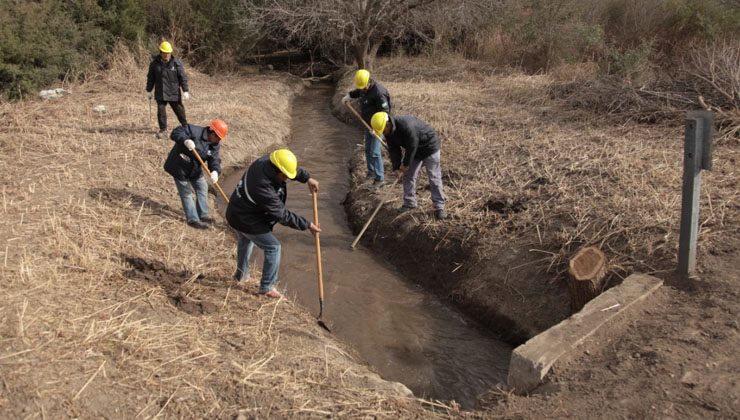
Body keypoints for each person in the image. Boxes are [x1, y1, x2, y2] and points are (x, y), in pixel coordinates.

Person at [226, 149, 321, 298]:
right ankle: (266, 288)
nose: (286, 179)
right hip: (244, 218)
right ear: (277, 171)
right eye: (284, 176)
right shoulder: (262, 186)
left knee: (245, 241)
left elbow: (290, 168)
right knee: (273, 247)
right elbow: (281, 214)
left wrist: (307, 178)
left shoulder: (268, 161)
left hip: (237, 210)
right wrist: (307, 225)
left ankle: (241, 276)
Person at [371, 111, 447, 220]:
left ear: (388, 124)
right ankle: (409, 203)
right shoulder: (389, 132)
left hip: (430, 147)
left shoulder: (406, 126)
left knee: (434, 177)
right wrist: (396, 167)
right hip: (415, 151)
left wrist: (405, 164)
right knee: (408, 176)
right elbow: (394, 149)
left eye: (383, 130)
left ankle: (440, 207)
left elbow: (412, 145)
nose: (383, 133)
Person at [164, 119, 228, 229]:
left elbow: (214, 159)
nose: (218, 140)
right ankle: (193, 219)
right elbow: (175, 133)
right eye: (217, 137)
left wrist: (215, 171)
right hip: (179, 166)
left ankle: (203, 215)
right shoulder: (193, 131)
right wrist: (185, 140)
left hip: (195, 169)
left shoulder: (214, 144)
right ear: (212, 132)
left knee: (202, 187)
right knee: (186, 192)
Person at [342, 69, 391, 188]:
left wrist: (377, 129)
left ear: (369, 81)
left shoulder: (379, 93)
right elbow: (359, 92)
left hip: (378, 126)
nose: (362, 89)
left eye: (363, 87)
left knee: (375, 152)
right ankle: (371, 172)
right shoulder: (364, 88)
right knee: (368, 150)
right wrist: (349, 96)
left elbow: (385, 113)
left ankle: (380, 179)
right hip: (367, 125)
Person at [146, 41, 190, 138]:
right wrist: (149, 90)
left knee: (179, 110)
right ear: (161, 52)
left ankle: (185, 126)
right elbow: (150, 78)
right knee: (161, 111)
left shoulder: (176, 63)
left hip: (173, 92)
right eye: (165, 53)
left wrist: (185, 90)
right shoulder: (154, 64)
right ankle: (163, 129)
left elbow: (182, 77)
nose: (167, 55)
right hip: (160, 91)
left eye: (169, 53)